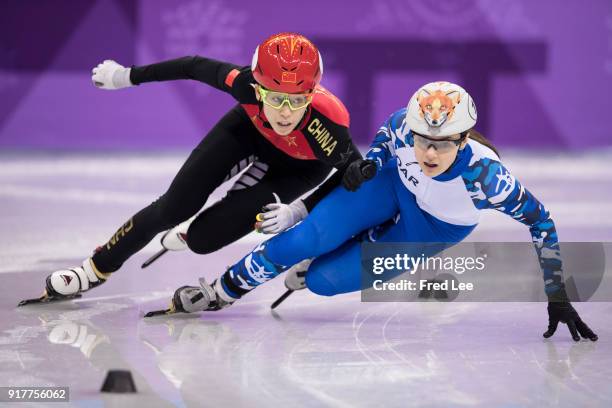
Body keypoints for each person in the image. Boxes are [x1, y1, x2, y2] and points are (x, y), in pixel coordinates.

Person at [164, 81, 598, 342]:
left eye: (442, 143)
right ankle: (221, 291)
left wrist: (558, 296)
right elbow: (383, 146)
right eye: (421, 139)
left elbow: (542, 222)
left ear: (464, 140)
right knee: (302, 239)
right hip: (392, 186)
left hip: (434, 228)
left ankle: (315, 266)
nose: (428, 151)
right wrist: (367, 164)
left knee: (321, 281)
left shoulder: (488, 179)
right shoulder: (401, 124)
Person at [30, 33, 369, 303]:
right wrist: (127, 76)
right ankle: (94, 268)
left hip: (297, 167)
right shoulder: (243, 83)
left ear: (312, 94)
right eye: (274, 97)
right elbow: (192, 65)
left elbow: (352, 179)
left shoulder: (328, 126)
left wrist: (299, 211)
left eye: (297, 100)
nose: (285, 112)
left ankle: (193, 229)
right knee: (173, 207)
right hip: (247, 132)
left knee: (203, 240)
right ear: (257, 86)